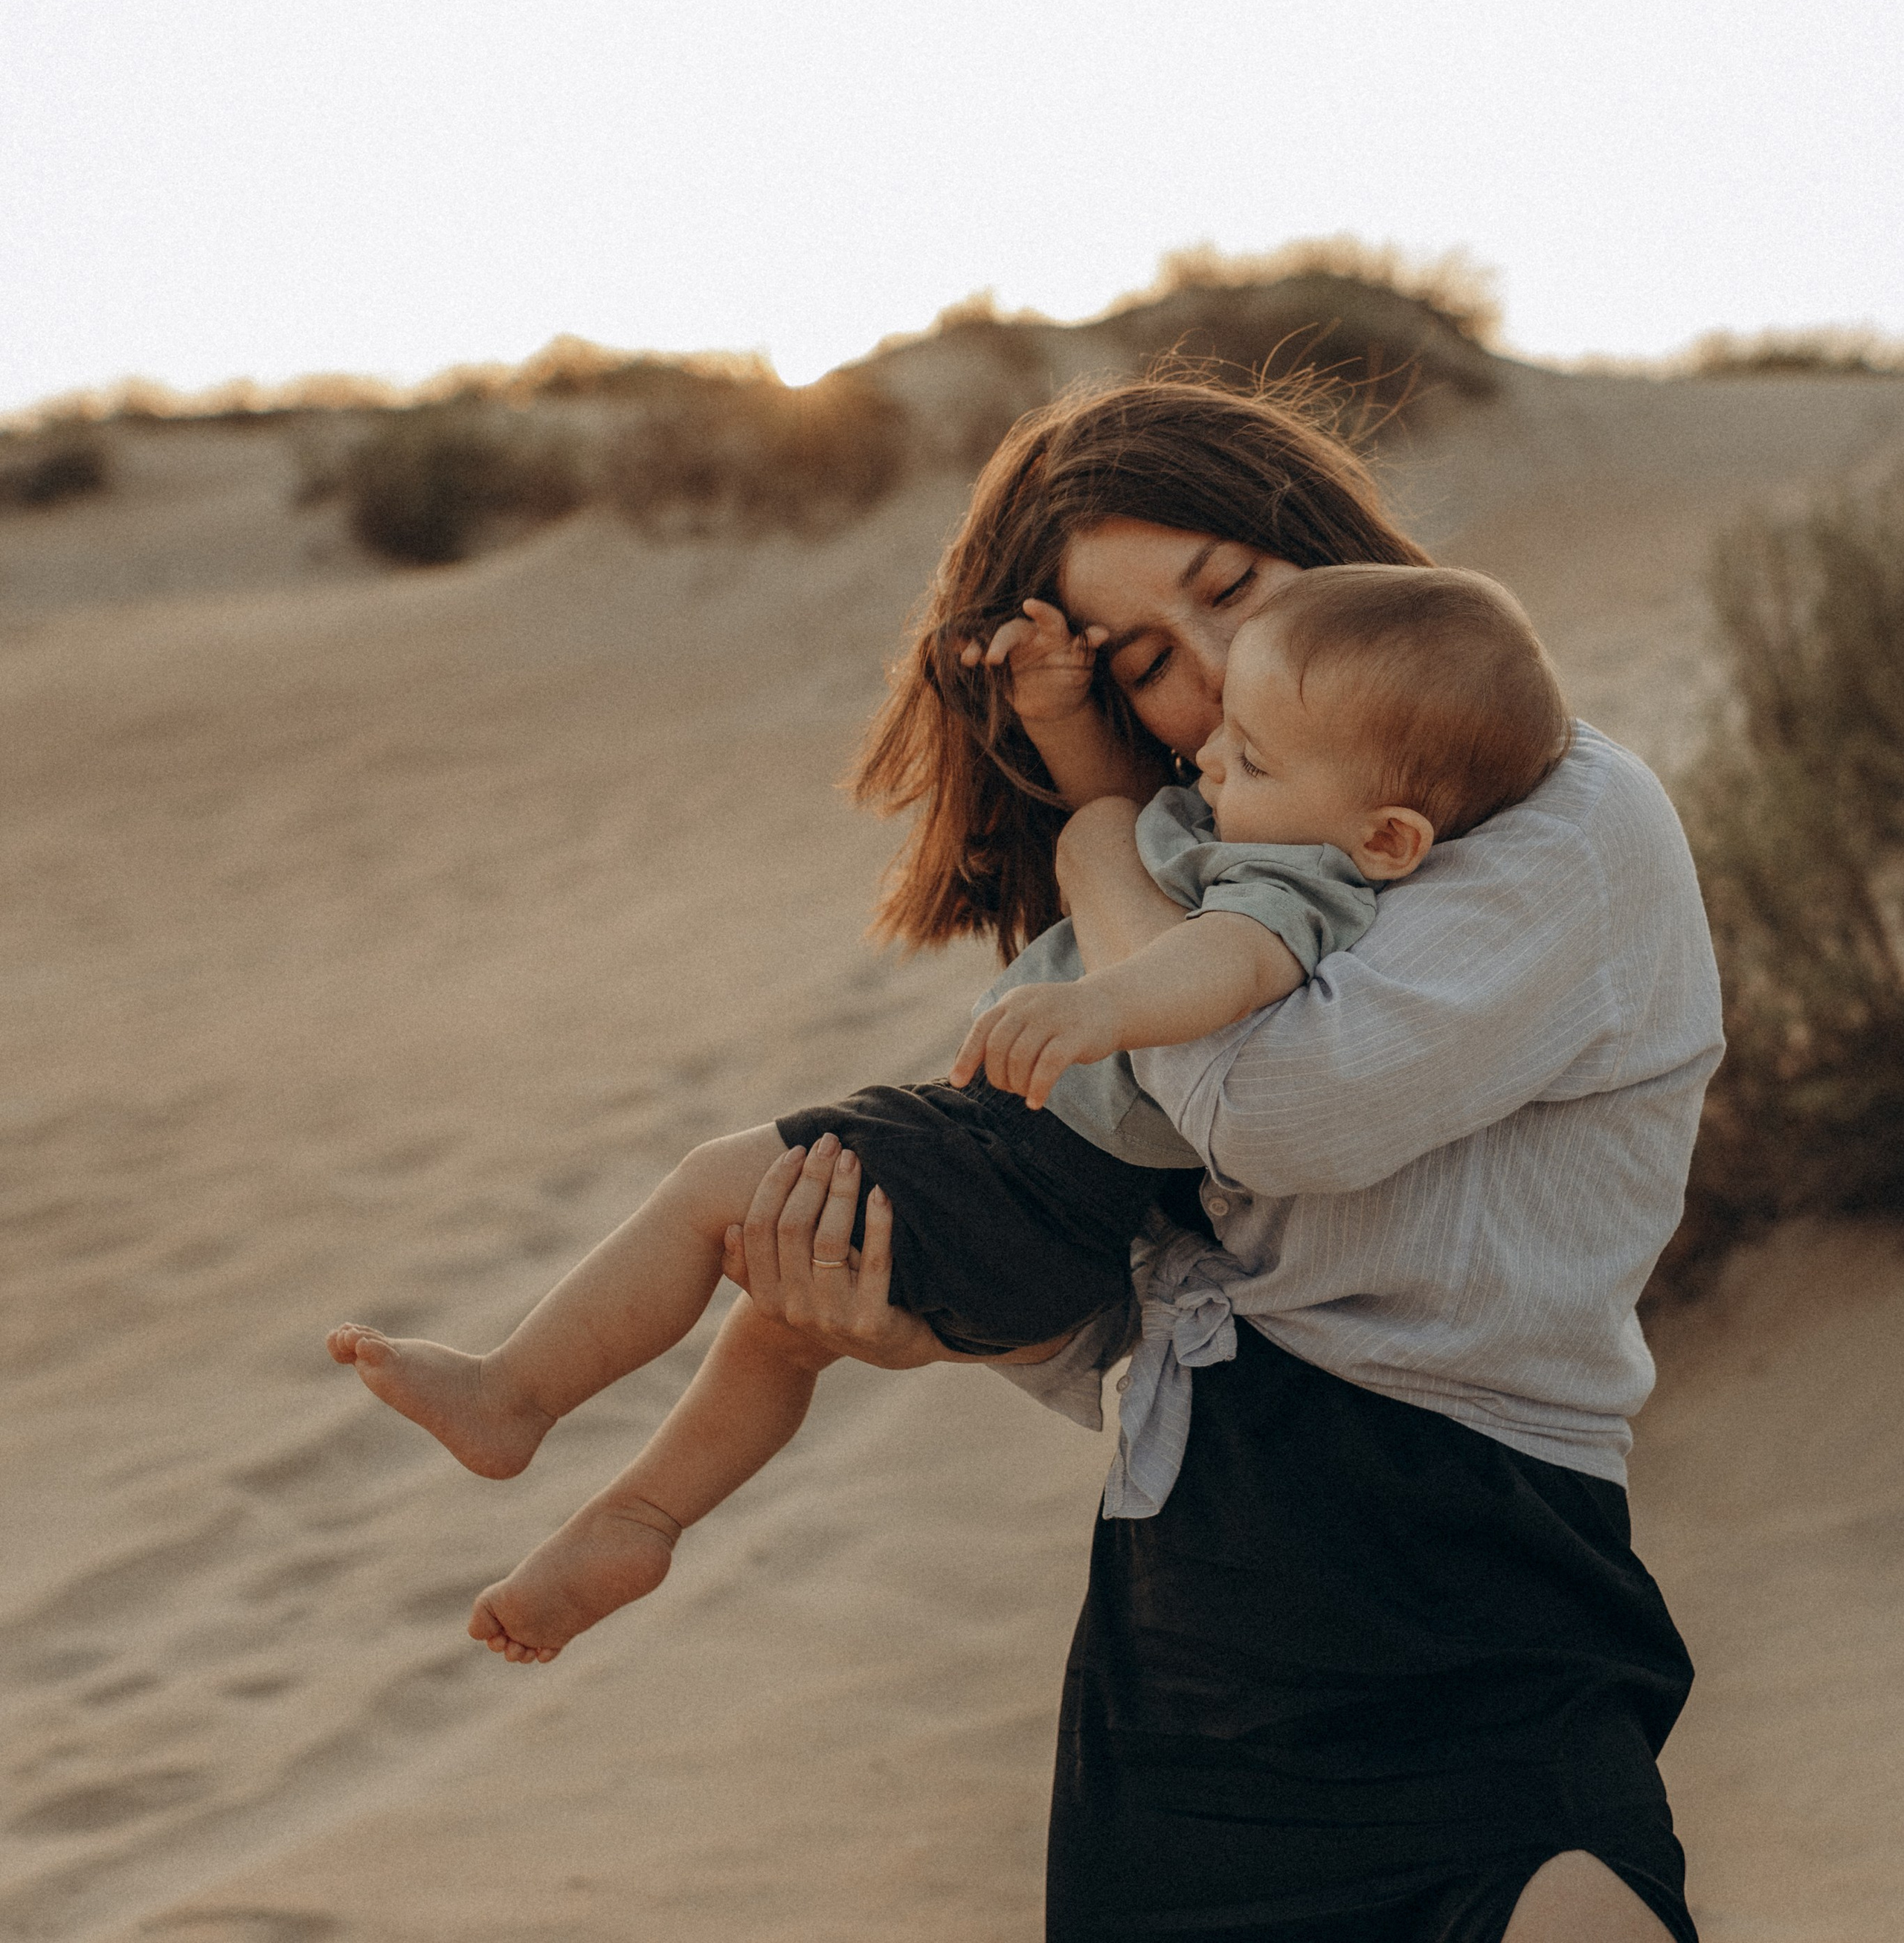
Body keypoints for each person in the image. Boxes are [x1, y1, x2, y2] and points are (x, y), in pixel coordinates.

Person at [718, 375, 1724, 1943]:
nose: (1203, 678)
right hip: (1188, 1619)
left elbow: (1278, 1115)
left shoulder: (1564, 823)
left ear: (1315, 545)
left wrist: (1098, 853)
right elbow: (1157, 1291)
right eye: (1140, 667)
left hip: (1469, 1579)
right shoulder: (1235, 863)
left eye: (1230, 593)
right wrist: (915, 1321)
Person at [327, 561, 1568, 1666]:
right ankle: (639, 1521)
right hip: (1035, 1209)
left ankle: (515, 1394)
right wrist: (1059, 713)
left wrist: (1106, 1007)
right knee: (778, 1325)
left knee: (719, 1184)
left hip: (1027, 1170)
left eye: (1247, 756)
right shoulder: (1265, 813)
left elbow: (1223, 968)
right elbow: (1125, 818)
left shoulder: (1299, 879)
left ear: (1392, 835)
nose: (1206, 760)